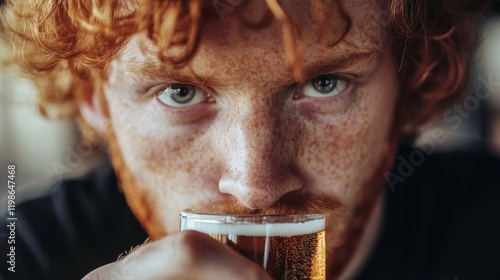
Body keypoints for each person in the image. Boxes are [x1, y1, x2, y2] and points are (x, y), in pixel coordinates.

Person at [1, 0, 499, 279]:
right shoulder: (25, 255)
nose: (256, 185)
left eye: (324, 84)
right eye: (180, 92)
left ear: (407, 76)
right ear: (94, 97)